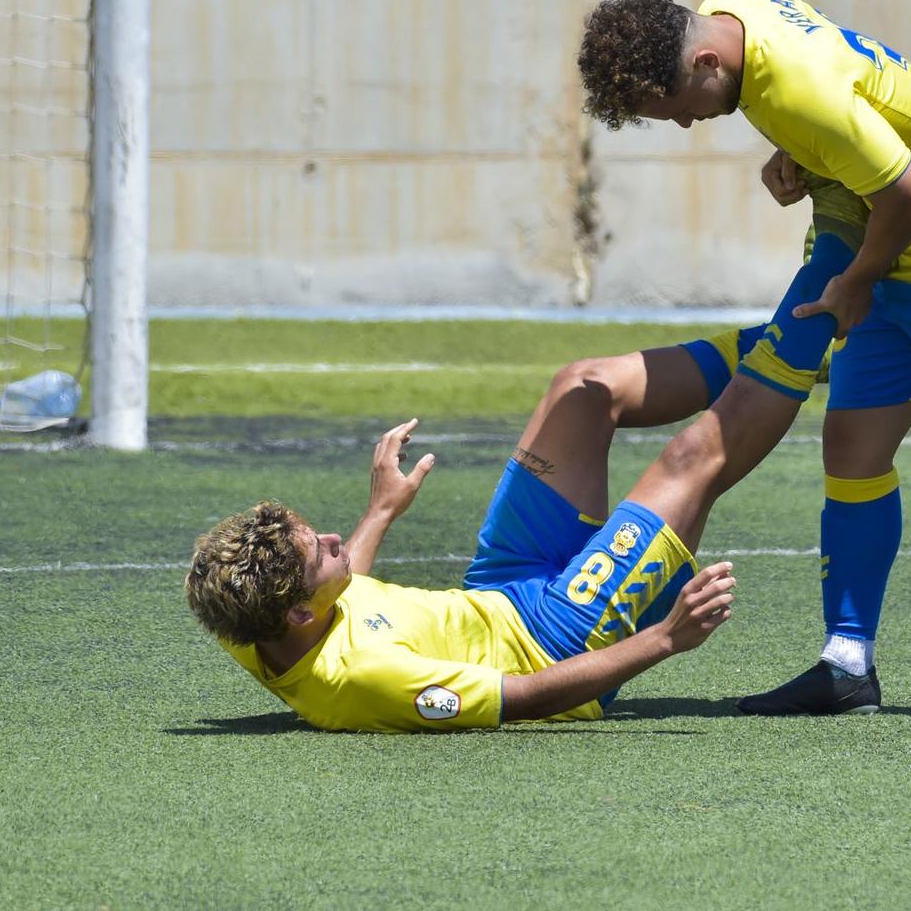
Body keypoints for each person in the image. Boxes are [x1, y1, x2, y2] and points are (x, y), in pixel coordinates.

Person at [577, 0, 911, 720]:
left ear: (703, 61)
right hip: (887, 261)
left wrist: (856, 281)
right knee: (851, 449)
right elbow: (854, 105)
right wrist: (804, 159)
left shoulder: (797, 89)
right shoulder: (736, 4)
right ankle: (847, 663)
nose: (689, 123)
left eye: (679, 106)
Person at [183, 181, 865, 732]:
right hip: (559, 639)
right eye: (321, 550)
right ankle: (840, 257)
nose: (334, 540)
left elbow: (338, 590)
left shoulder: (251, 616)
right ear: (297, 612)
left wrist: (380, 511)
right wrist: (667, 637)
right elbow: (529, 694)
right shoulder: (363, 682)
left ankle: (817, 340)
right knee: (694, 456)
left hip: (498, 588)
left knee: (582, 387)